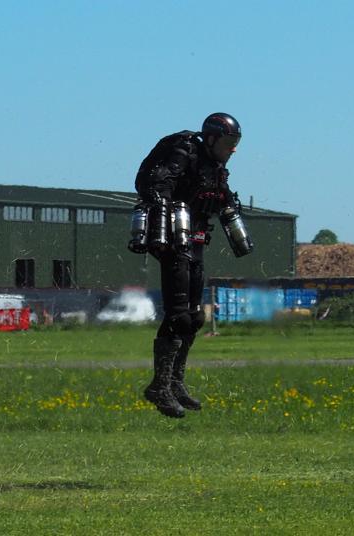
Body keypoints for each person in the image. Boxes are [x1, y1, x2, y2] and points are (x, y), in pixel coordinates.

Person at [132, 112, 248, 418]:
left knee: (195, 317)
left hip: (196, 239)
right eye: (228, 142)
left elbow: (220, 196)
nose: (232, 149)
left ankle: (175, 381)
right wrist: (164, 210)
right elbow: (158, 184)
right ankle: (159, 386)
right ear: (211, 139)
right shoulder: (185, 153)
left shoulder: (216, 166)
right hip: (173, 239)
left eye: (236, 143)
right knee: (179, 314)